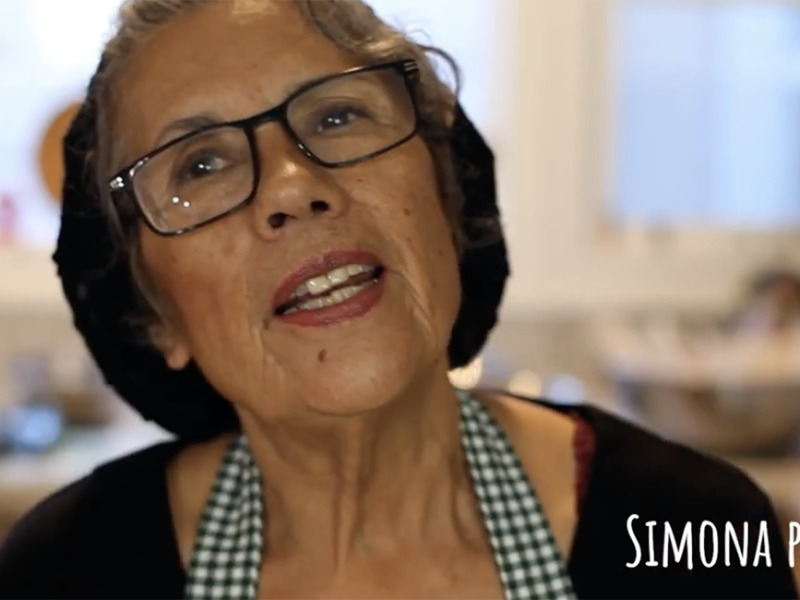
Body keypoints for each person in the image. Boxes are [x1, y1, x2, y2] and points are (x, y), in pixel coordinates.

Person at [0, 1, 797, 598]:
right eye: (199, 166)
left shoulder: (702, 528)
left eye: (337, 115)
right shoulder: (66, 571)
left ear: (450, 199)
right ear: (155, 314)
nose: (291, 185)